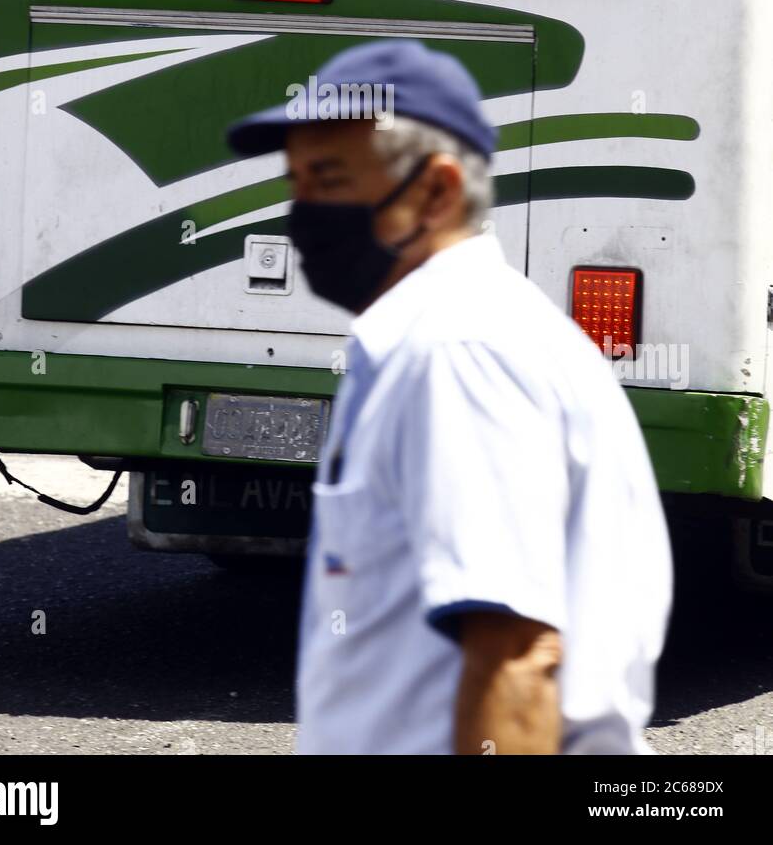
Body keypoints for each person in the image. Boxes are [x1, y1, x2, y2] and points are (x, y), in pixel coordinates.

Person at [226, 40, 673, 755]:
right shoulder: (437, 339)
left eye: (329, 179)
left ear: (435, 192)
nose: (302, 211)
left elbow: (517, 660)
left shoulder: (457, 352)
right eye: (297, 181)